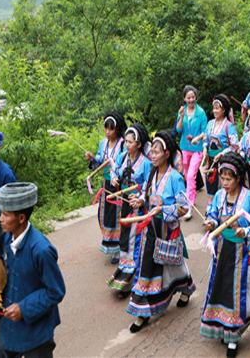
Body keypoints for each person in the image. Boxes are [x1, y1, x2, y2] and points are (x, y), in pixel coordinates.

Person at [126, 131, 196, 333]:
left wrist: (163, 210)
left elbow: (184, 208)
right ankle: (143, 312)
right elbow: (147, 195)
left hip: (167, 230)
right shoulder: (152, 173)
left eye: (156, 152)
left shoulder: (176, 177)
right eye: (152, 152)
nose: (152, 155)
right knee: (147, 267)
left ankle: (186, 287)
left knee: (172, 264)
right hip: (150, 230)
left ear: (167, 153)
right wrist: (140, 200)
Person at [201, 153, 250, 357]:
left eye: (228, 179)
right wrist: (211, 222)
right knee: (222, 290)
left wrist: (245, 231)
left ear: (238, 178)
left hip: (242, 254)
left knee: (237, 294)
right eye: (222, 178)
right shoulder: (219, 196)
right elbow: (213, 213)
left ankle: (233, 337)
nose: (224, 183)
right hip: (222, 251)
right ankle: (224, 327)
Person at [0, 183, 66, 358]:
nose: (0, 219)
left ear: (21, 218)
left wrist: (23, 308)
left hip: (36, 330)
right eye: (0, 213)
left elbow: (55, 292)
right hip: (10, 326)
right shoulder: (7, 239)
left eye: (5, 215)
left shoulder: (41, 250)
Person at [108, 124, 153, 296]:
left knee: (135, 240)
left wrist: (141, 198)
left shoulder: (146, 164)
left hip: (137, 207)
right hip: (124, 203)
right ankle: (124, 271)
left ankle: (131, 279)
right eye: (125, 141)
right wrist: (114, 178)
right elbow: (113, 169)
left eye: (130, 142)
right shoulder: (122, 157)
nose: (127, 144)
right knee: (125, 238)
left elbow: (149, 185)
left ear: (139, 144)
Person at [85, 112, 127, 263]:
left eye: (111, 129)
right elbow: (99, 161)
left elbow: (125, 163)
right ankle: (111, 245)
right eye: (106, 128)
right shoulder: (103, 143)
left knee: (118, 216)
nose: (107, 132)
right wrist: (92, 160)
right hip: (106, 185)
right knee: (104, 216)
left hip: (119, 185)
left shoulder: (123, 144)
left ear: (117, 129)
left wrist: (117, 175)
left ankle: (120, 248)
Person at [202, 95, 240, 210]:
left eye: (217, 108)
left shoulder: (229, 126)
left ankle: (221, 209)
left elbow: (235, 146)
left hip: (223, 161)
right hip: (211, 161)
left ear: (223, 110)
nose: (214, 111)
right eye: (214, 108)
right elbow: (206, 138)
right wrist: (205, 147)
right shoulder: (210, 123)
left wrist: (222, 154)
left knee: (223, 184)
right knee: (210, 184)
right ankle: (210, 208)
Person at [175, 85, 207, 219]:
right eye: (188, 97)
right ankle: (191, 195)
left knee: (191, 176)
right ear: (184, 98)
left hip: (197, 149)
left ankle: (189, 206)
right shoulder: (182, 111)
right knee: (186, 175)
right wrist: (181, 116)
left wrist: (197, 139)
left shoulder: (201, 112)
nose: (191, 100)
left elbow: (205, 131)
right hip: (184, 148)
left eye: (193, 97)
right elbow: (178, 129)